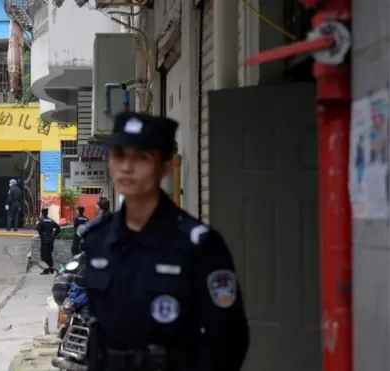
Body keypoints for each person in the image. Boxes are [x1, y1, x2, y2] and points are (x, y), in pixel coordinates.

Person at [80, 112, 249, 371]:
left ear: (167, 167)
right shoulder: (97, 240)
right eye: (119, 156)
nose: (126, 167)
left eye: (141, 157)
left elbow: (229, 339)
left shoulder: (199, 245)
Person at [35, 208, 61, 275]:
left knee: (44, 256)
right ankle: (51, 269)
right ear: (47, 213)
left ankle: (46, 270)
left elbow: (37, 228)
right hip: (50, 241)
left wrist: (41, 233)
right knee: (49, 255)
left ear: (42, 212)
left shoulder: (41, 220)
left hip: (44, 241)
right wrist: (53, 235)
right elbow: (58, 227)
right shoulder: (51, 220)